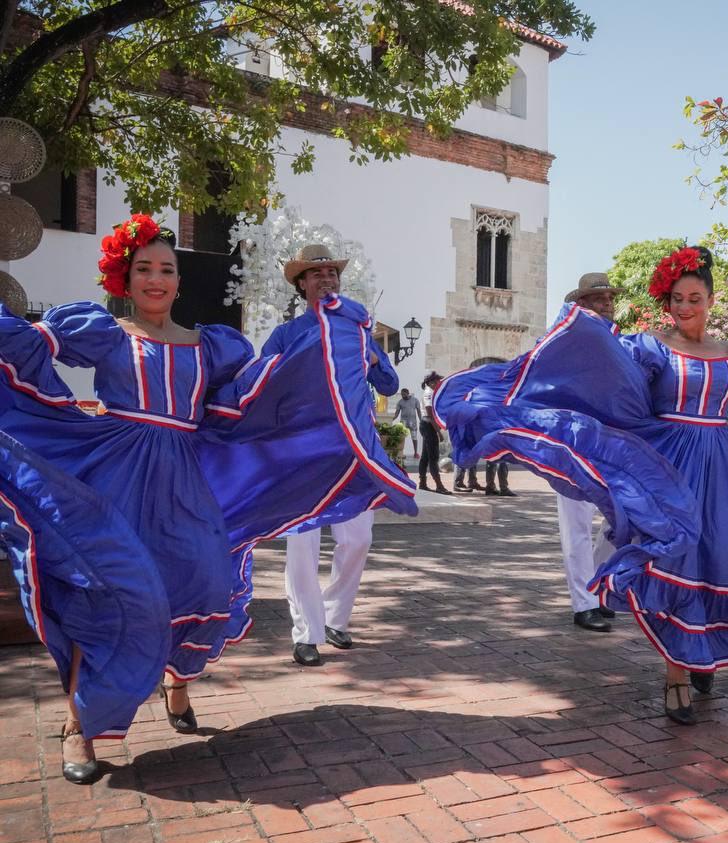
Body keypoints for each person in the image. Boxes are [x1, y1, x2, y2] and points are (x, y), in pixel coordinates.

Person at [0, 220, 416, 784]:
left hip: (184, 481)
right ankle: (80, 726)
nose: (156, 279)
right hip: (116, 476)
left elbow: (265, 389)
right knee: (105, 593)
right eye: (144, 268)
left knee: (200, 580)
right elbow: (27, 348)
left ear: (178, 280)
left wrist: (336, 349)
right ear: (125, 276)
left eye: (166, 269)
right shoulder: (105, 330)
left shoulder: (213, 346)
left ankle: (177, 679)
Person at [436, 246, 728, 725]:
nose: (685, 308)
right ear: (668, 304)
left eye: (694, 298)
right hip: (669, 465)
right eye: (677, 300)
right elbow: (606, 382)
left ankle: (701, 650)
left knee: (720, 557)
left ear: (710, 299)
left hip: (723, 463)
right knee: (675, 557)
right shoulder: (650, 348)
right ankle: (676, 676)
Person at [263, 244, 400, 667]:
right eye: (316, 273)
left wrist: (373, 354)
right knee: (302, 543)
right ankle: (306, 631)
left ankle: (336, 617)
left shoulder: (357, 331)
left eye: (332, 273)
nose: (327, 278)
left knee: (358, 539)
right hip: (303, 450)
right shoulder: (286, 335)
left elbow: (390, 385)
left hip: (354, 447)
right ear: (301, 283)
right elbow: (260, 386)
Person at [556, 273, 622, 632]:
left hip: (611, 442)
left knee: (621, 519)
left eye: (609, 297)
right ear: (580, 305)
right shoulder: (563, 342)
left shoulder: (619, 343)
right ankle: (584, 603)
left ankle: (596, 586)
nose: (607, 303)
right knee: (577, 526)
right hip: (574, 443)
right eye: (599, 298)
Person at [419, 371, 449, 493]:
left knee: (425, 457)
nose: (438, 383)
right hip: (428, 425)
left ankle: (422, 483)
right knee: (433, 457)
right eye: (437, 381)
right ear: (431, 382)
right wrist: (439, 432)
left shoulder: (431, 392)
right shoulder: (429, 393)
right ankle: (439, 486)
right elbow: (430, 414)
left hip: (427, 425)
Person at [392, 388, 423, 457]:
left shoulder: (415, 400)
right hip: (403, 422)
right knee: (401, 437)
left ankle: (415, 453)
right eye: (402, 394)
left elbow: (418, 411)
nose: (403, 396)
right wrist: (391, 420)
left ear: (408, 393)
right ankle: (401, 453)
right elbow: (396, 414)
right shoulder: (400, 402)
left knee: (414, 437)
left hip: (413, 422)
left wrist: (421, 420)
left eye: (404, 394)